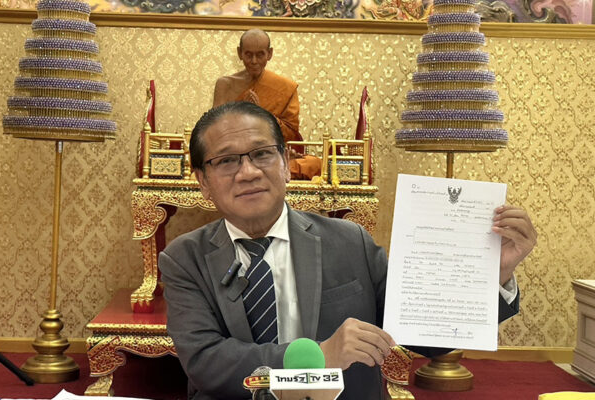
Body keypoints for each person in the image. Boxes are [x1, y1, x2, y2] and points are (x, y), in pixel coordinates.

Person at [158, 102, 538, 400]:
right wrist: (318, 357)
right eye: (226, 160)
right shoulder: (184, 258)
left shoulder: (349, 240)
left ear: (286, 164)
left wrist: (493, 275)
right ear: (203, 181)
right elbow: (206, 362)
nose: (248, 172)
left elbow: (426, 335)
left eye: (262, 154)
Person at [212, 29, 320, 180]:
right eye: (248, 54)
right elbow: (216, 131)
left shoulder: (284, 87)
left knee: (314, 164)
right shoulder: (225, 84)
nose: (254, 61)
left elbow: (290, 133)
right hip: (235, 154)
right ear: (239, 53)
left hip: (267, 153)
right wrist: (243, 113)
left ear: (269, 54)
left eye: (260, 54)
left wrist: (262, 114)